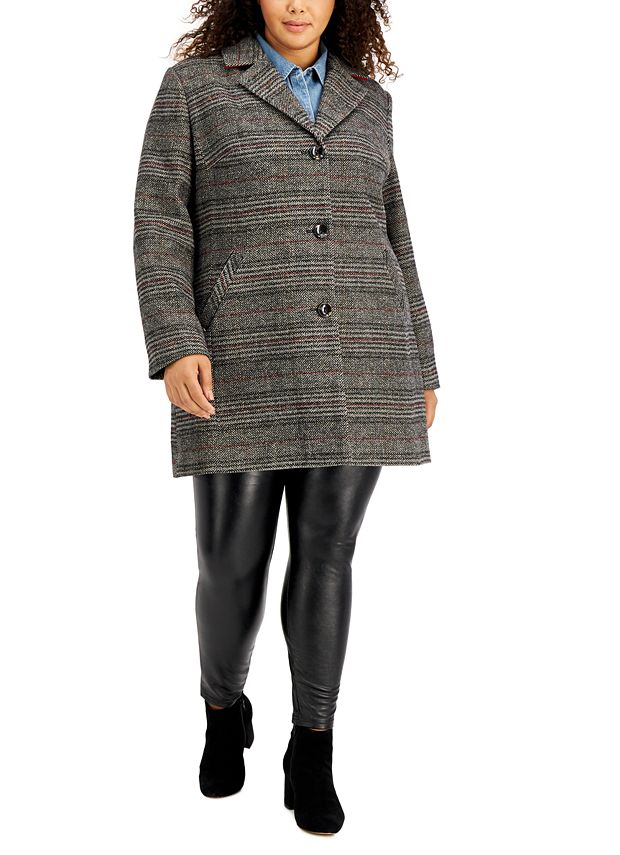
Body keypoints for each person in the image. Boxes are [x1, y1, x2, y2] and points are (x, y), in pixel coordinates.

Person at [132, 0, 440, 836]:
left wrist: (421, 360)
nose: (299, 3)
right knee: (229, 564)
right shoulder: (196, 89)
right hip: (237, 358)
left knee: (328, 554)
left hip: (361, 358)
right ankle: (222, 707)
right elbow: (160, 221)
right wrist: (175, 340)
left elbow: (395, 234)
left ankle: (313, 747)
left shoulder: (368, 101)